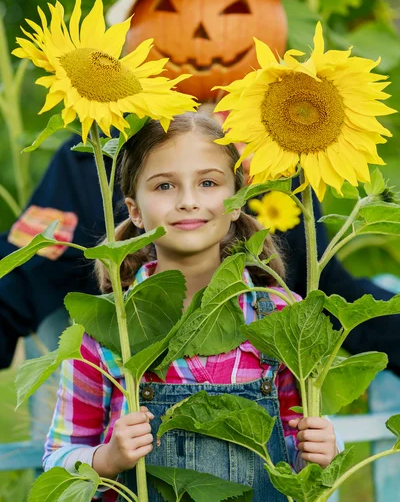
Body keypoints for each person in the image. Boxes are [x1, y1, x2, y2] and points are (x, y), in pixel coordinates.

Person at [43, 114, 339, 502]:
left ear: (236, 201)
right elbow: (58, 462)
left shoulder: (283, 316)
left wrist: (320, 452)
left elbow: (292, 460)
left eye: (208, 183)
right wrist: (106, 459)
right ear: (134, 210)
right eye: (164, 185)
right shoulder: (106, 328)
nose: (188, 201)